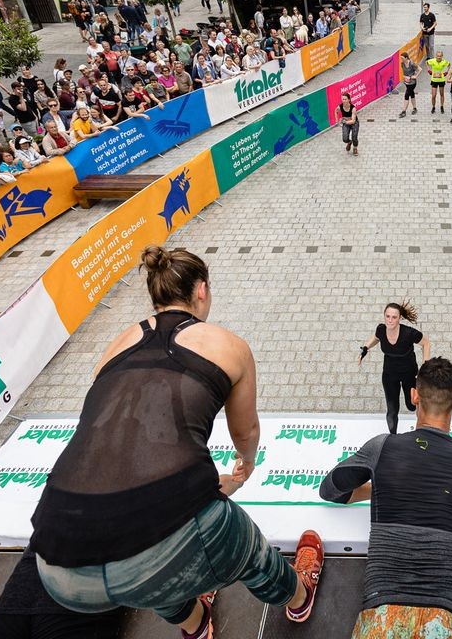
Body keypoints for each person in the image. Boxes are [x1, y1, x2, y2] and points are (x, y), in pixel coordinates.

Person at [30, 246, 326, 635]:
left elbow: (125, 445)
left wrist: (205, 487)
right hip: (153, 554)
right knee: (249, 553)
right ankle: (299, 599)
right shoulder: (227, 345)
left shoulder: (117, 344)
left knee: (152, 557)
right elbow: (245, 432)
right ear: (201, 290)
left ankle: (196, 625)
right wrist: (246, 463)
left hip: (57, 566)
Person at [320, 357, 452, 638]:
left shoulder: (382, 447)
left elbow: (331, 491)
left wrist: (376, 487)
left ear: (413, 395)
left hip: (381, 617)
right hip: (446, 619)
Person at [359, 300, 431, 434]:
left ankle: (422, 431)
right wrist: (365, 348)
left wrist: (426, 365)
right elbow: (376, 337)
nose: (390, 320)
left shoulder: (409, 333)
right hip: (389, 374)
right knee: (392, 410)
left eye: (394, 317)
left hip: (409, 373)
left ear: (399, 318)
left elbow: (426, 343)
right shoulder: (381, 329)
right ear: (384, 316)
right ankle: (393, 438)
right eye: (387, 316)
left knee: (411, 405)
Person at [427, 50, 449, 115]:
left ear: (442, 56)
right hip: (434, 80)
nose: (439, 57)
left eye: (440, 56)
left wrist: (446, 72)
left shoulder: (444, 61)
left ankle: (442, 106)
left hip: (441, 80)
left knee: (442, 94)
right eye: (438, 56)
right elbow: (426, 63)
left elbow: (449, 65)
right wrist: (429, 70)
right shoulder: (433, 60)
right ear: (436, 56)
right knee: (433, 95)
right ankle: (433, 107)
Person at [399, 52, 419, 118]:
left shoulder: (412, 63)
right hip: (406, 82)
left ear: (406, 58)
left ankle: (404, 111)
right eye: (401, 58)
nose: (401, 59)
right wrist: (405, 77)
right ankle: (415, 108)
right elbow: (405, 72)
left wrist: (415, 76)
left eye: (402, 58)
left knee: (406, 95)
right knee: (412, 94)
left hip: (412, 83)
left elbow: (420, 69)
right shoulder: (402, 64)